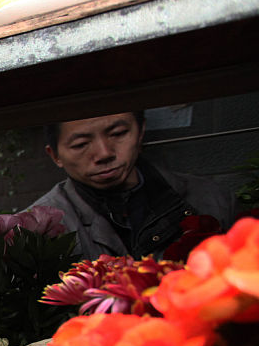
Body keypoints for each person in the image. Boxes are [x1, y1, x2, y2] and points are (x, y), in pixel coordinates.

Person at [28, 111, 237, 261]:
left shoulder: (212, 198)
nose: (104, 153)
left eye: (118, 133)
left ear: (141, 131)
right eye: (81, 144)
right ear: (55, 155)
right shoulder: (35, 229)